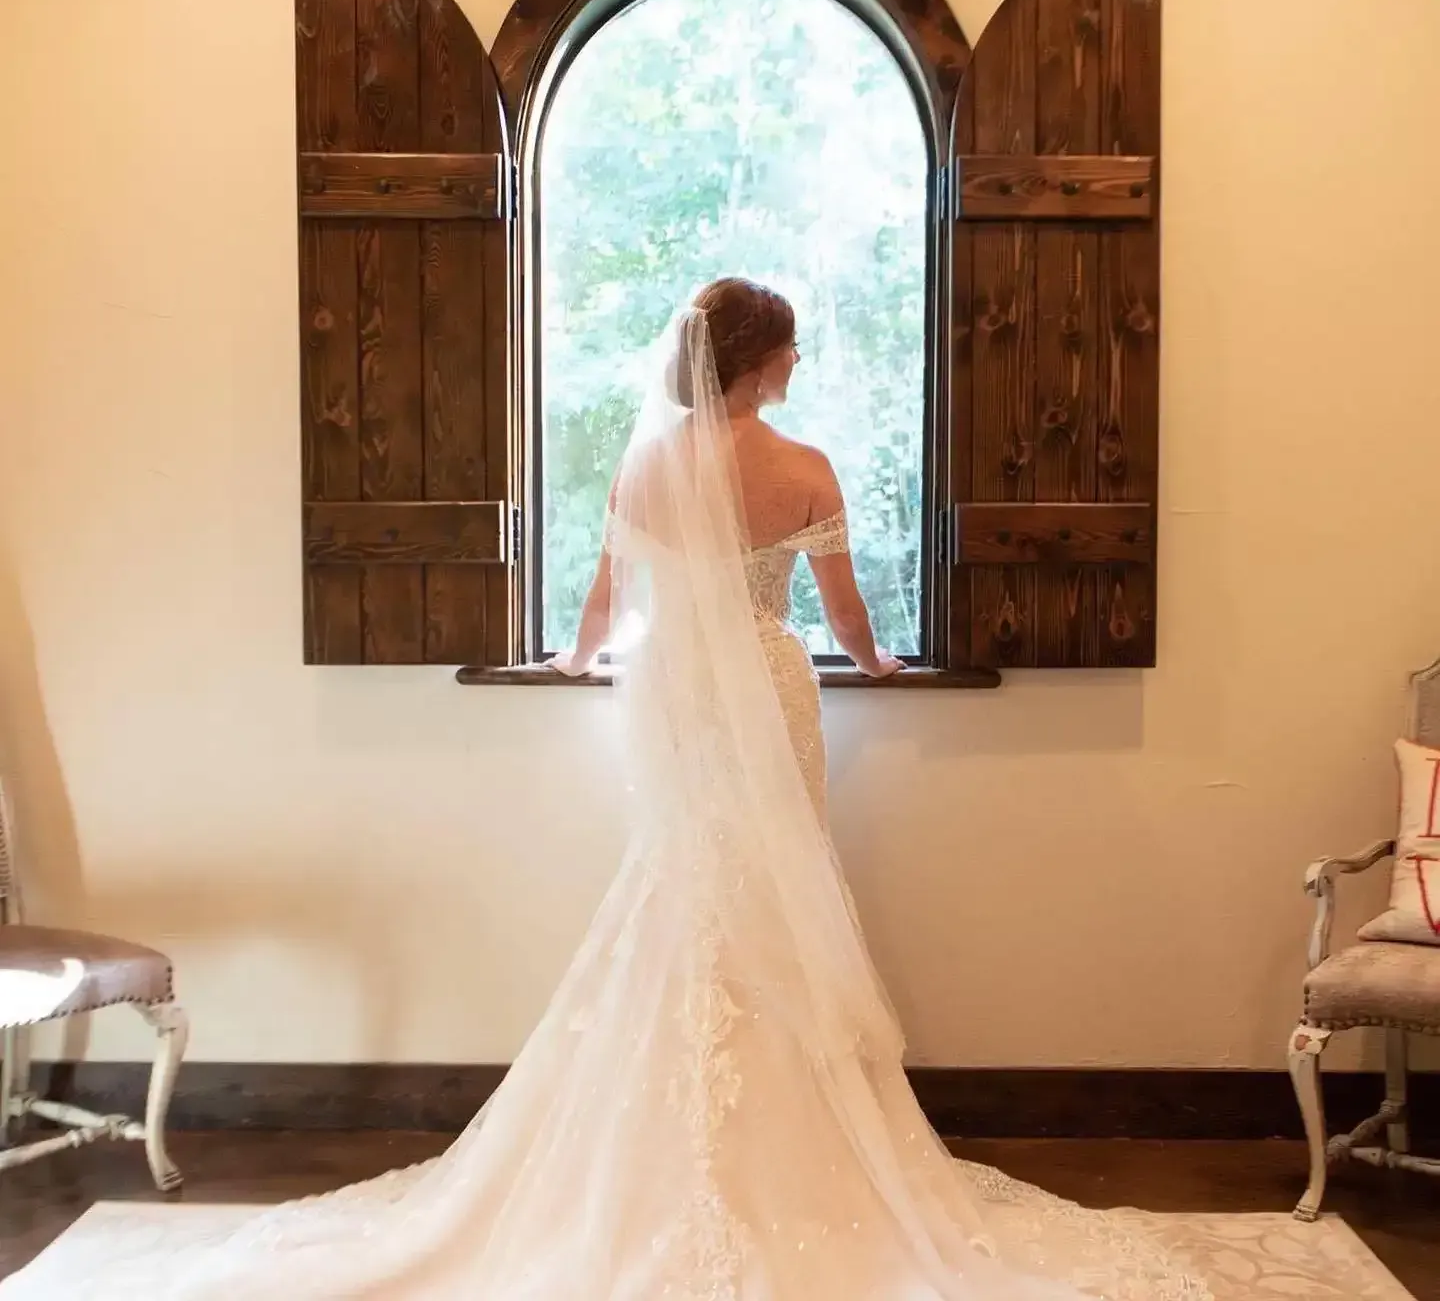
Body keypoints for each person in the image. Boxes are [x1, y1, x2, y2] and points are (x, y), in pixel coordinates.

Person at [3, 280, 1208, 1299]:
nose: (800, 361)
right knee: (776, 882)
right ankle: (789, 1134)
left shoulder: (645, 465)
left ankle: (662, 1135)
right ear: (762, 362)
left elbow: (598, 602)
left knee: (686, 878)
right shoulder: (803, 467)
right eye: (790, 346)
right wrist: (882, 657)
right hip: (768, 686)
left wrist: (577, 663)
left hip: (680, 691)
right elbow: (843, 618)